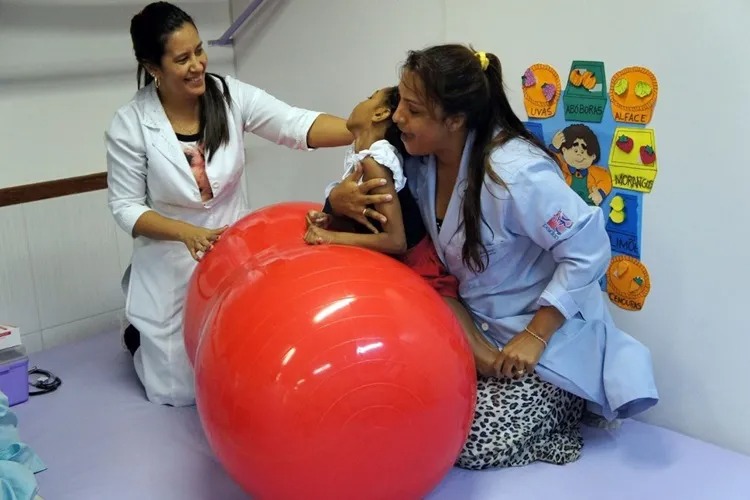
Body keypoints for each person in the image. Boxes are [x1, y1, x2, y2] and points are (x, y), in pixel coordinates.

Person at [327, 44, 659, 470]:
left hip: (542, 348)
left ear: (455, 120)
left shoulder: (516, 174)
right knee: (405, 418)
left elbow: (589, 249)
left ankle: (563, 416)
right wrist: (338, 197)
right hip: (474, 333)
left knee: (464, 443)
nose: (398, 117)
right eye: (400, 103)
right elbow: (366, 175)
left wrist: (536, 335)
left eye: (413, 109)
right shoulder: (418, 159)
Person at [106, 1, 354, 407]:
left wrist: (361, 129)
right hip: (172, 258)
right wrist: (186, 233)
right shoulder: (130, 124)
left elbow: (294, 124)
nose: (198, 65)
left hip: (231, 252)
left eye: (199, 51)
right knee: (178, 394)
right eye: (182, 59)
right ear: (153, 68)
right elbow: (125, 206)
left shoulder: (228, 95)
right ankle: (137, 337)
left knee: (236, 376)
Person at [303, 86, 505, 377]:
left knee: (483, 359)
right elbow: (369, 218)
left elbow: (396, 240)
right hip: (400, 266)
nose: (361, 101)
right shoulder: (361, 157)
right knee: (474, 353)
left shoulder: (376, 162)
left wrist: (332, 238)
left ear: (380, 113)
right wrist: (331, 217)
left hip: (418, 265)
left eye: (369, 98)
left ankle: (526, 381)